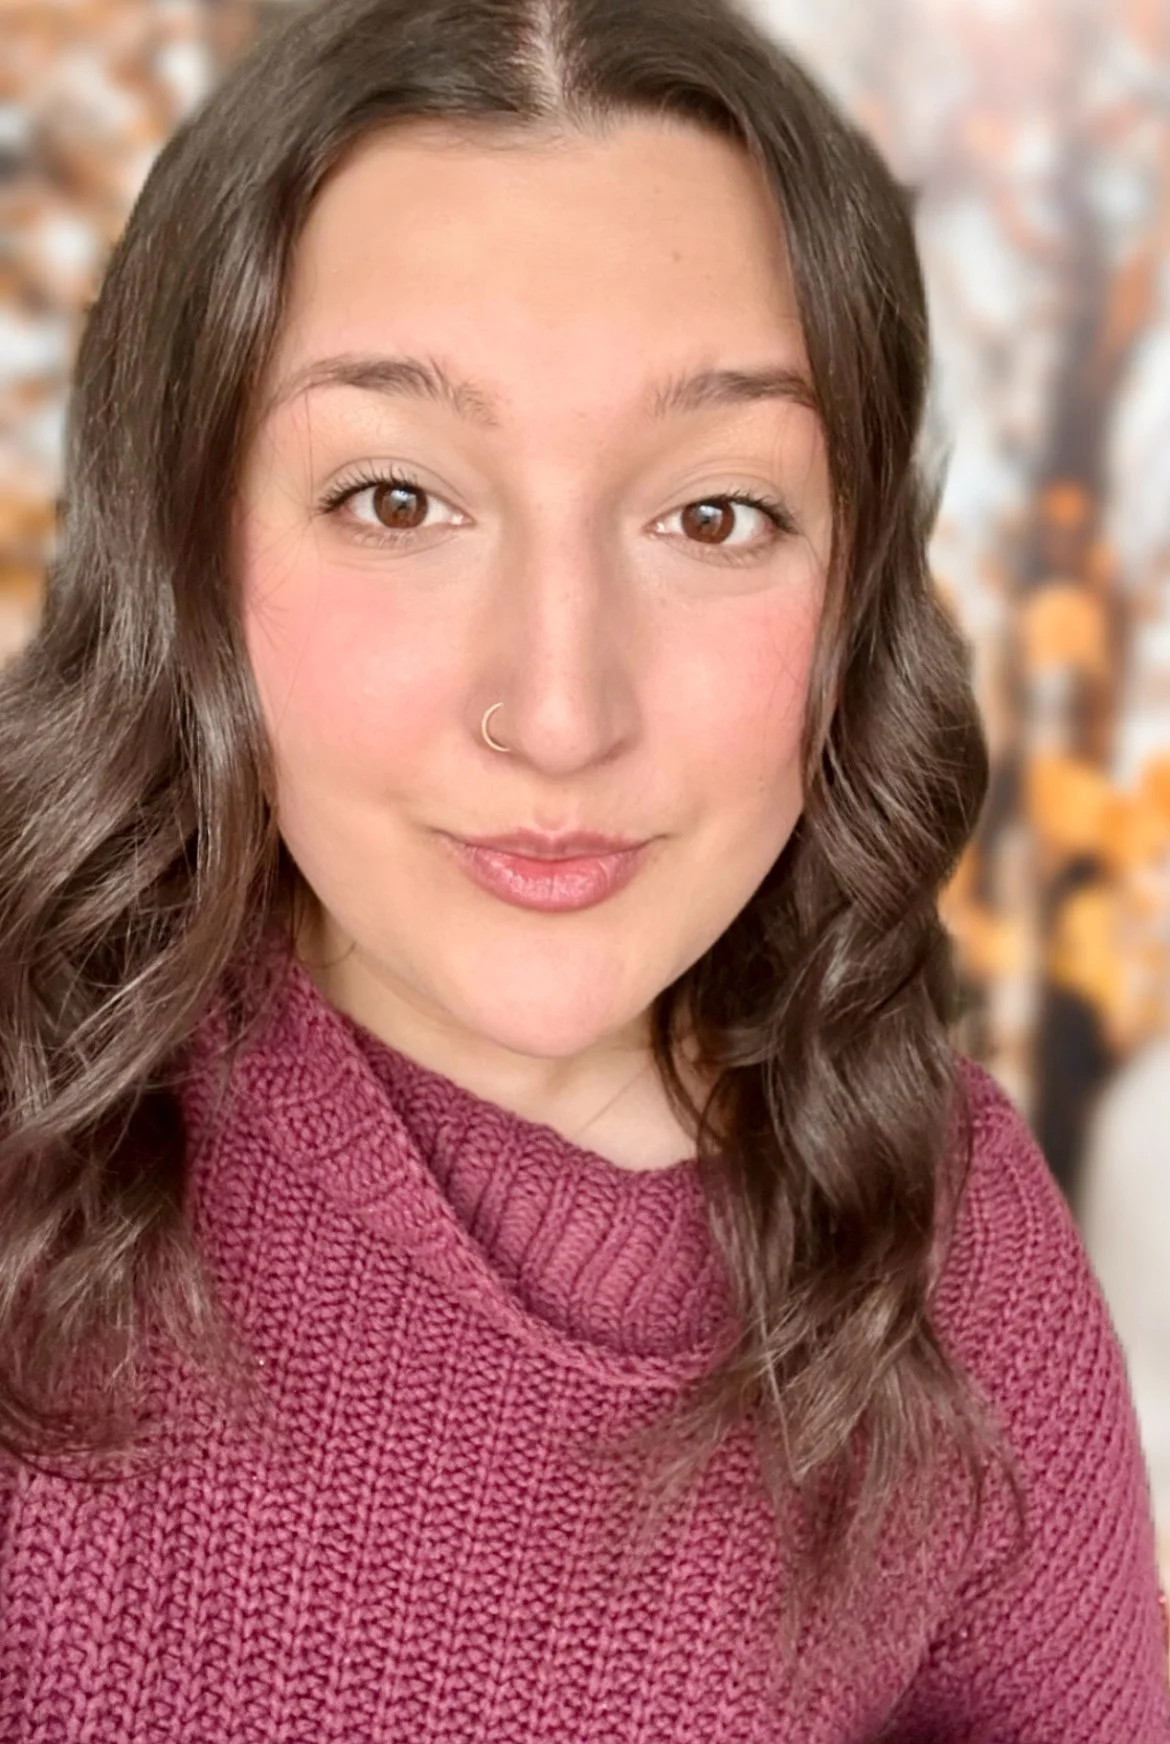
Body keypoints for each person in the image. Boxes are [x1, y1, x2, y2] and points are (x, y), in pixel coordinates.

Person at [0, 0, 1166, 1737]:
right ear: (187, 549)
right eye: (396, 501)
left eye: (713, 516)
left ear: (853, 598)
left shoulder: (958, 1272)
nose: (557, 716)